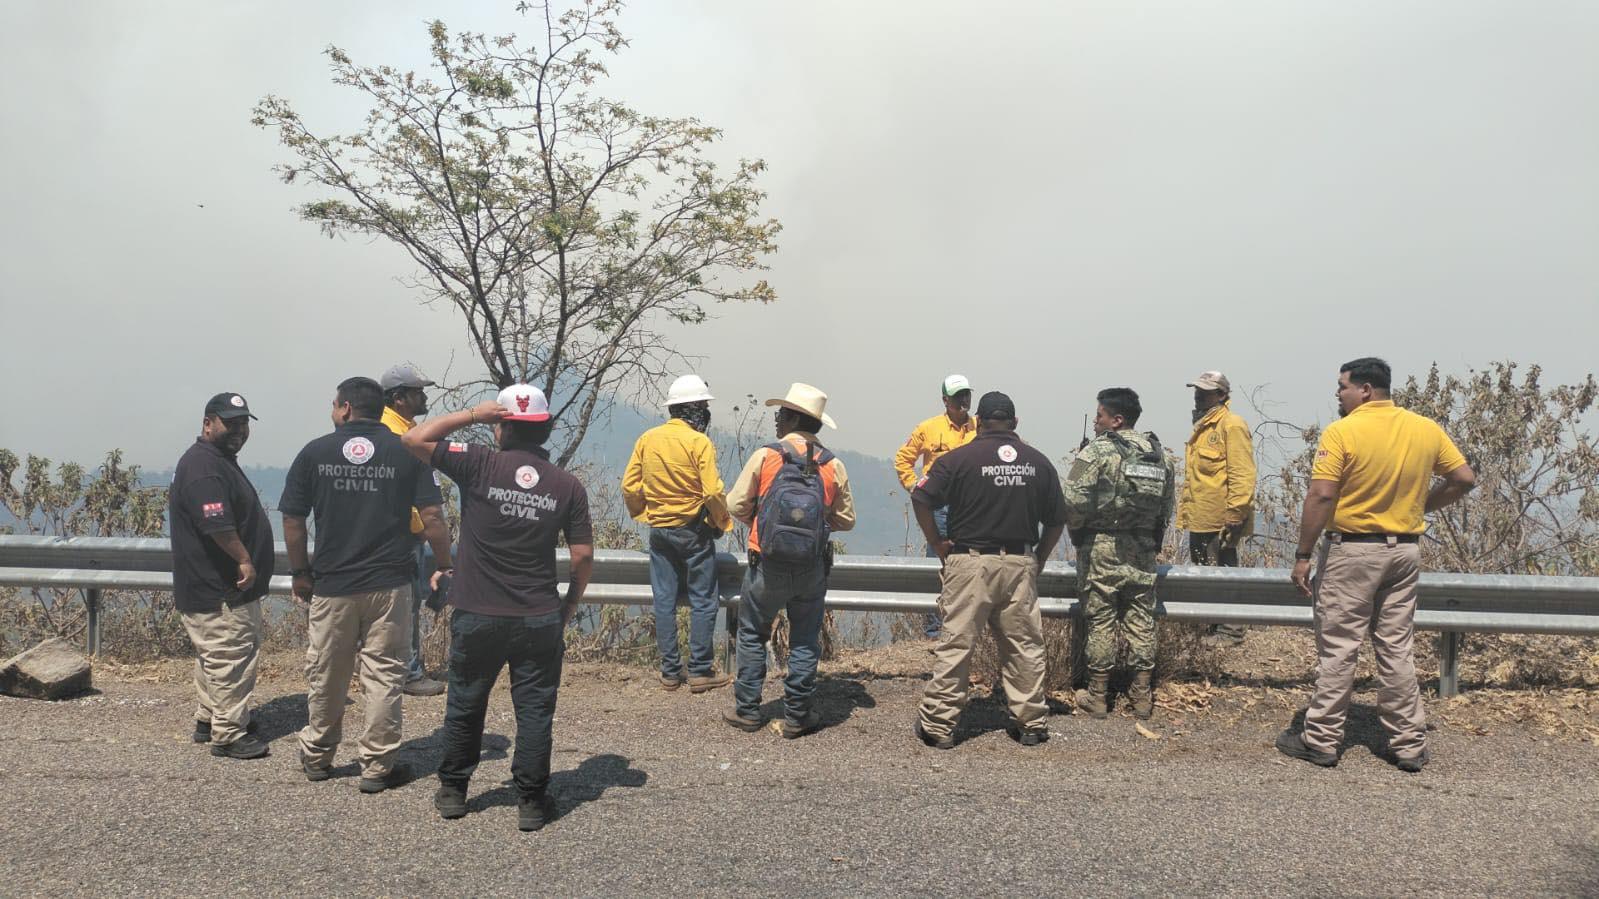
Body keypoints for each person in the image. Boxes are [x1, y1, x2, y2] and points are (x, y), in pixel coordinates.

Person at [401, 384, 593, 832]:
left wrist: (472, 414)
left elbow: (413, 440)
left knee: (466, 702)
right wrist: (566, 607)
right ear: (544, 430)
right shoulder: (567, 485)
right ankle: (530, 800)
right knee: (535, 709)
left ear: (501, 426)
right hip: (538, 615)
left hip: (478, 612)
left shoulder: (479, 462)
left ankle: (453, 791)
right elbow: (583, 558)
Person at [1276, 358, 1475, 772]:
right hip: (1404, 551)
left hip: (1353, 552)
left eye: (1342, 386)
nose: (1338, 394)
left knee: (1339, 648)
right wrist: (1422, 504)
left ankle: (1321, 740)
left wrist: (1302, 555)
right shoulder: (1424, 428)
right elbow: (1463, 478)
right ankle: (1408, 745)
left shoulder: (1343, 431)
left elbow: (1322, 495)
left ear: (1365, 389)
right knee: (1396, 648)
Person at [280, 376, 454, 793]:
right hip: (390, 585)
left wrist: (302, 571)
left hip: (334, 584)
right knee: (384, 674)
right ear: (380, 410)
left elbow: (292, 520)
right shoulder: (406, 451)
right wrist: (445, 565)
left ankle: (319, 755)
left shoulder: (314, 452)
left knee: (327, 671)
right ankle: (377, 766)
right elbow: (432, 517)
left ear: (343, 408)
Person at [912, 391, 1068, 749]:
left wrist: (937, 543)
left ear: (978, 422)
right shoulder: (1038, 463)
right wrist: (1039, 558)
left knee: (957, 644)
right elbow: (1058, 520)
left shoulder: (958, 459)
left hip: (970, 562)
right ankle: (1030, 723)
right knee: (1024, 645)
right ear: (1015, 423)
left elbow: (921, 498)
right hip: (1019, 563)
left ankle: (939, 726)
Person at [721, 383, 855, 739]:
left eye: (781, 414)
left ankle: (748, 710)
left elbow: (735, 504)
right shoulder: (833, 464)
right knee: (805, 639)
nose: (777, 421)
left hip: (766, 563)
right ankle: (797, 716)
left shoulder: (767, 456)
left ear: (795, 417)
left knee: (752, 633)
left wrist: (762, 520)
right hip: (811, 568)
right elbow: (846, 520)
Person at [167, 392, 275, 760]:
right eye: (231, 423)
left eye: (244, 423)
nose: (239, 430)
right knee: (230, 655)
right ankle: (228, 733)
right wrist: (245, 560)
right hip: (220, 588)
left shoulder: (216, 459)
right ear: (208, 423)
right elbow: (217, 524)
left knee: (213, 655)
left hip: (213, 586)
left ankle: (209, 717)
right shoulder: (204, 466)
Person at [1062, 387, 1177, 721]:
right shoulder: (1160, 454)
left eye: (1099, 416)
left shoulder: (1097, 451)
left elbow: (1072, 500)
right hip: (1142, 549)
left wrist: (1081, 530)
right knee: (1142, 619)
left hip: (1102, 548)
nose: (1095, 422)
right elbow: (1166, 508)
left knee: (1100, 620)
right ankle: (1142, 696)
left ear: (1117, 419)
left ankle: (1098, 696)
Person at [621, 374, 734, 693]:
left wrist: (644, 513)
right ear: (697, 411)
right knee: (703, 600)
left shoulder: (648, 439)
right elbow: (712, 492)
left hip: (660, 532)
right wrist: (722, 522)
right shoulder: (699, 442)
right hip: (694, 532)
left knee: (664, 600)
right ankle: (699, 671)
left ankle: (670, 672)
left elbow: (630, 486)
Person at [380, 362, 448, 697]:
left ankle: (400, 669)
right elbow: (400, 493)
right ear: (398, 398)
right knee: (404, 606)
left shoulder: (401, 429)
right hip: (403, 537)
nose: (423, 396)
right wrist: (421, 527)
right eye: (417, 391)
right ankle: (408, 673)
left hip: (402, 535)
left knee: (405, 604)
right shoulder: (398, 437)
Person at [1174, 371, 1256, 646]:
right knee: (1205, 572)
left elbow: (1242, 474)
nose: (1199, 395)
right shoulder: (1203, 426)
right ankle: (1212, 624)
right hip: (1200, 515)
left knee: (1223, 569)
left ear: (1221, 395)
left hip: (1221, 517)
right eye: (1197, 390)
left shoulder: (1231, 425)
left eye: (1206, 391)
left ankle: (1231, 629)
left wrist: (1235, 514)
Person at [894, 374, 977, 638]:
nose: (963, 400)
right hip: (940, 508)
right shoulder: (928, 428)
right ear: (945, 400)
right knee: (939, 566)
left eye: (966, 394)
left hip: (972, 508)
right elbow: (903, 459)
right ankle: (934, 629)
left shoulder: (980, 428)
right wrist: (915, 487)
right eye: (957, 396)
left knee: (973, 565)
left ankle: (966, 627)